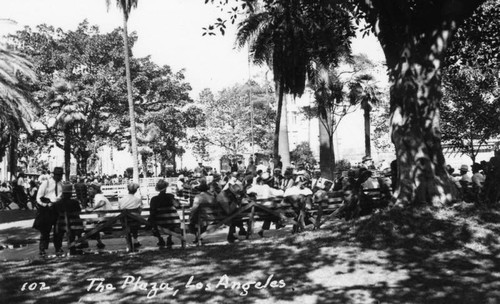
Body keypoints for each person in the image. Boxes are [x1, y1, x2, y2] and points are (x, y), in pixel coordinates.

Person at [34, 167, 64, 256]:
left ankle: (58, 247)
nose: (59, 177)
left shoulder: (61, 185)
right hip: (47, 209)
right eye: (57, 175)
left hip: (57, 209)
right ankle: (42, 249)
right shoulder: (46, 183)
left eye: (60, 175)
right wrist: (46, 205)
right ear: (53, 174)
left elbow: (61, 196)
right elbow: (39, 197)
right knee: (45, 230)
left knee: (58, 230)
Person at [149, 179, 181, 248]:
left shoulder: (154, 199)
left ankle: (160, 240)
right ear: (166, 188)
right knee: (170, 219)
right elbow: (178, 205)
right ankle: (169, 238)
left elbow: (152, 212)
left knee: (153, 220)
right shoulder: (170, 196)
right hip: (173, 222)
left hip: (159, 223)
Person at [54, 183, 83, 255]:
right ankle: (72, 246)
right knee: (72, 229)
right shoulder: (75, 202)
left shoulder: (58, 203)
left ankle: (58, 248)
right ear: (70, 194)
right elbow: (78, 212)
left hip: (60, 225)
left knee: (58, 231)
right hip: (74, 224)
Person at [86, 183, 112, 249]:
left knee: (87, 223)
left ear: (95, 190)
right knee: (90, 222)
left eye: (91, 189)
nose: (89, 191)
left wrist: (93, 209)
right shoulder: (99, 196)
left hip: (106, 219)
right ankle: (99, 242)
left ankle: (84, 241)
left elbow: (102, 202)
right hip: (107, 218)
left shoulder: (98, 196)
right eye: (88, 189)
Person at [118, 183, 143, 248]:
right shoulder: (137, 200)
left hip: (124, 221)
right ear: (136, 191)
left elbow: (120, 209)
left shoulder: (121, 200)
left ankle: (128, 241)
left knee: (126, 221)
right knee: (136, 219)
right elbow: (139, 211)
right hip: (135, 221)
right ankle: (135, 240)